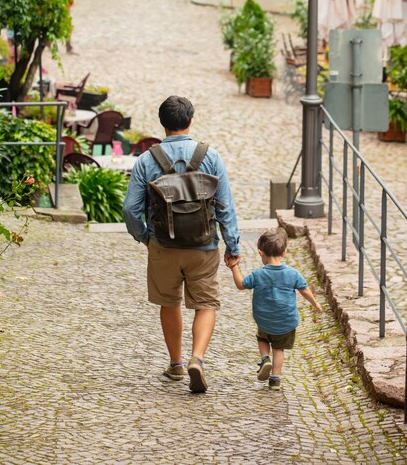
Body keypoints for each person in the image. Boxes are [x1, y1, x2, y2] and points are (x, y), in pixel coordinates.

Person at [123, 96, 240, 393]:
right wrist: (232, 246)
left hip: (163, 245)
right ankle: (196, 358)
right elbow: (225, 206)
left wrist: (145, 236)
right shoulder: (210, 156)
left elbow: (130, 209)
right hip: (204, 245)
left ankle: (175, 363)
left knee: (169, 301)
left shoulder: (147, 160)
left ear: (162, 123)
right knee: (206, 304)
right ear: (190, 121)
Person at [227, 227, 322, 390]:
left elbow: (241, 285)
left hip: (264, 320)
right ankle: (275, 378)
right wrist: (316, 304)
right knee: (279, 349)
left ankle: (265, 358)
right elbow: (305, 290)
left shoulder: (258, 274)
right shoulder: (293, 274)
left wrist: (234, 267)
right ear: (284, 253)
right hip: (285, 321)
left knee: (262, 339)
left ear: (260, 252)